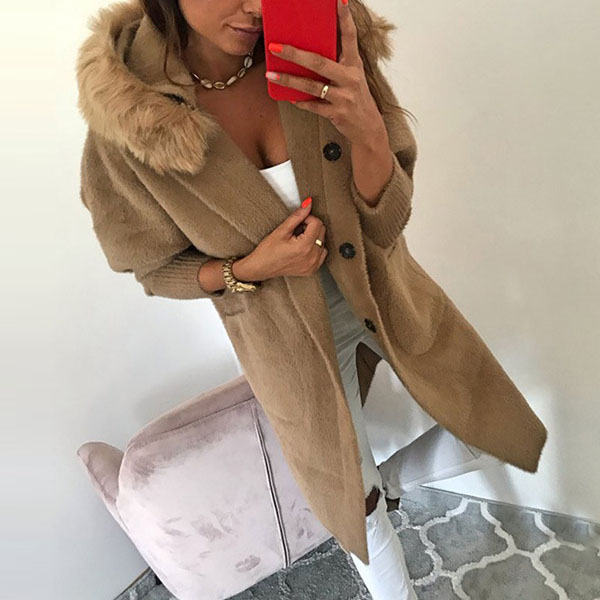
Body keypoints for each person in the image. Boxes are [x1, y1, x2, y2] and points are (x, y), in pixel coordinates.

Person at [76, 0, 545, 597]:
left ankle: (382, 480)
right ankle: (372, 517)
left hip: (388, 295)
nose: (256, 7)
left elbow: (387, 220)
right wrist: (250, 268)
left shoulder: (328, 44)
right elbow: (152, 268)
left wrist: (368, 129)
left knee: (485, 419)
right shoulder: (127, 117)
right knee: (356, 502)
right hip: (285, 343)